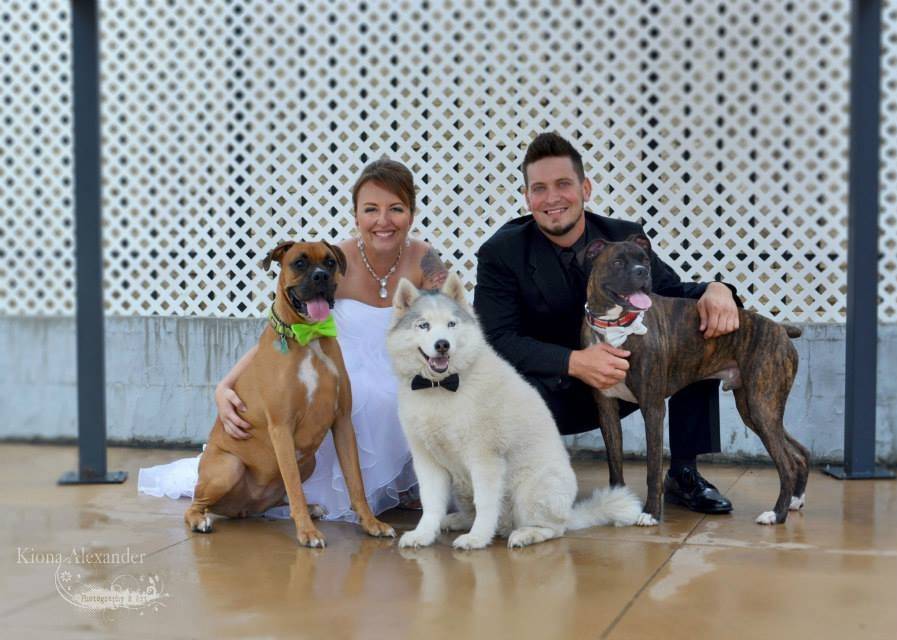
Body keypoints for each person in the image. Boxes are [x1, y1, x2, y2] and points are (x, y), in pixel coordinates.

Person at [139, 159, 448, 521]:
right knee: (367, 397)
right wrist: (224, 385)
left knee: (421, 391)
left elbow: (451, 320)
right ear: (355, 215)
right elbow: (281, 331)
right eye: (371, 210)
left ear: (411, 213)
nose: (383, 220)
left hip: (401, 364)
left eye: (396, 209)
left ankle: (403, 484)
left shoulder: (425, 259)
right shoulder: (335, 260)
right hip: (334, 366)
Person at [473, 132, 740, 514]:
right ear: (527, 196)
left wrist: (717, 289)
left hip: (624, 379)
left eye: (563, 184)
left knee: (696, 329)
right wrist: (575, 361)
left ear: (585, 188)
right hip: (553, 389)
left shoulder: (619, 236)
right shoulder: (501, 252)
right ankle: (514, 481)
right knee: (498, 390)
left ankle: (683, 473)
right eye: (539, 188)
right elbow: (496, 339)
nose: (552, 199)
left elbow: (672, 291)